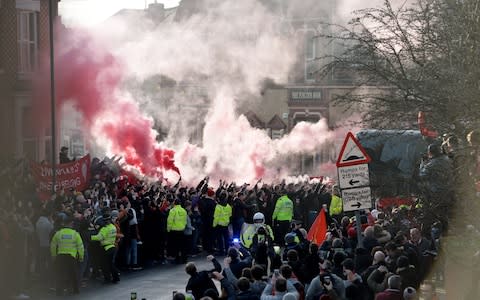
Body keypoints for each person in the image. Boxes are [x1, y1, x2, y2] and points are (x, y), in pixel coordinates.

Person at [50, 215, 84, 295]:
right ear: (71, 224)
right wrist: (81, 257)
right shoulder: (75, 234)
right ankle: (75, 290)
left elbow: (53, 245)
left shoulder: (58, 233)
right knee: (73, 274)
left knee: (60, 274)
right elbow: (80, 247)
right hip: (71, 257)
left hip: (60, 257)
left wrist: (54, 256)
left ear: (64, 224)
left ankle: (59, 291)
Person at [91, 212, 120, 284]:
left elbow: (99, 237)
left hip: (106, 248)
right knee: (110, 264)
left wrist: (90, 237)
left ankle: (108, 278)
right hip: (113, 247)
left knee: (104, 264)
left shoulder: (105, 229)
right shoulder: (113, 227)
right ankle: (115, 277)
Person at [167, 199, 188, 264]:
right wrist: (183, 226)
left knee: (175, 246)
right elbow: (185, 220)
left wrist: (168, 229)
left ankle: (177, 259)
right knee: (183, 246)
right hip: (181, 230)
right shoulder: (183, 210)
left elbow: (170, 221)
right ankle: (184, 259)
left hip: (174, 231)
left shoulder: (173, 210)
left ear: (174, 204)